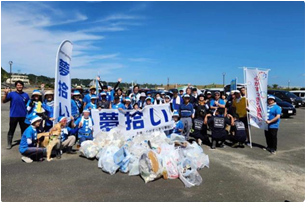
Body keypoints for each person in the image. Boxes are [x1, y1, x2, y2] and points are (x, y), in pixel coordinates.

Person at [2, 80, 30, 149]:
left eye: (20, 85)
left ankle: (23, 143)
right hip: (13, 115)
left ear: (22, 86)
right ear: (16, 86)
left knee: (24, 130)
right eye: (18, 85)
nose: (19, 86)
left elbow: (29, 105)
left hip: (23, 116)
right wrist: (5, 94)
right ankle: (9, 143)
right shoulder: (11, 94)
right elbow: (3, 101)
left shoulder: (26, 95)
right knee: (11, 129)